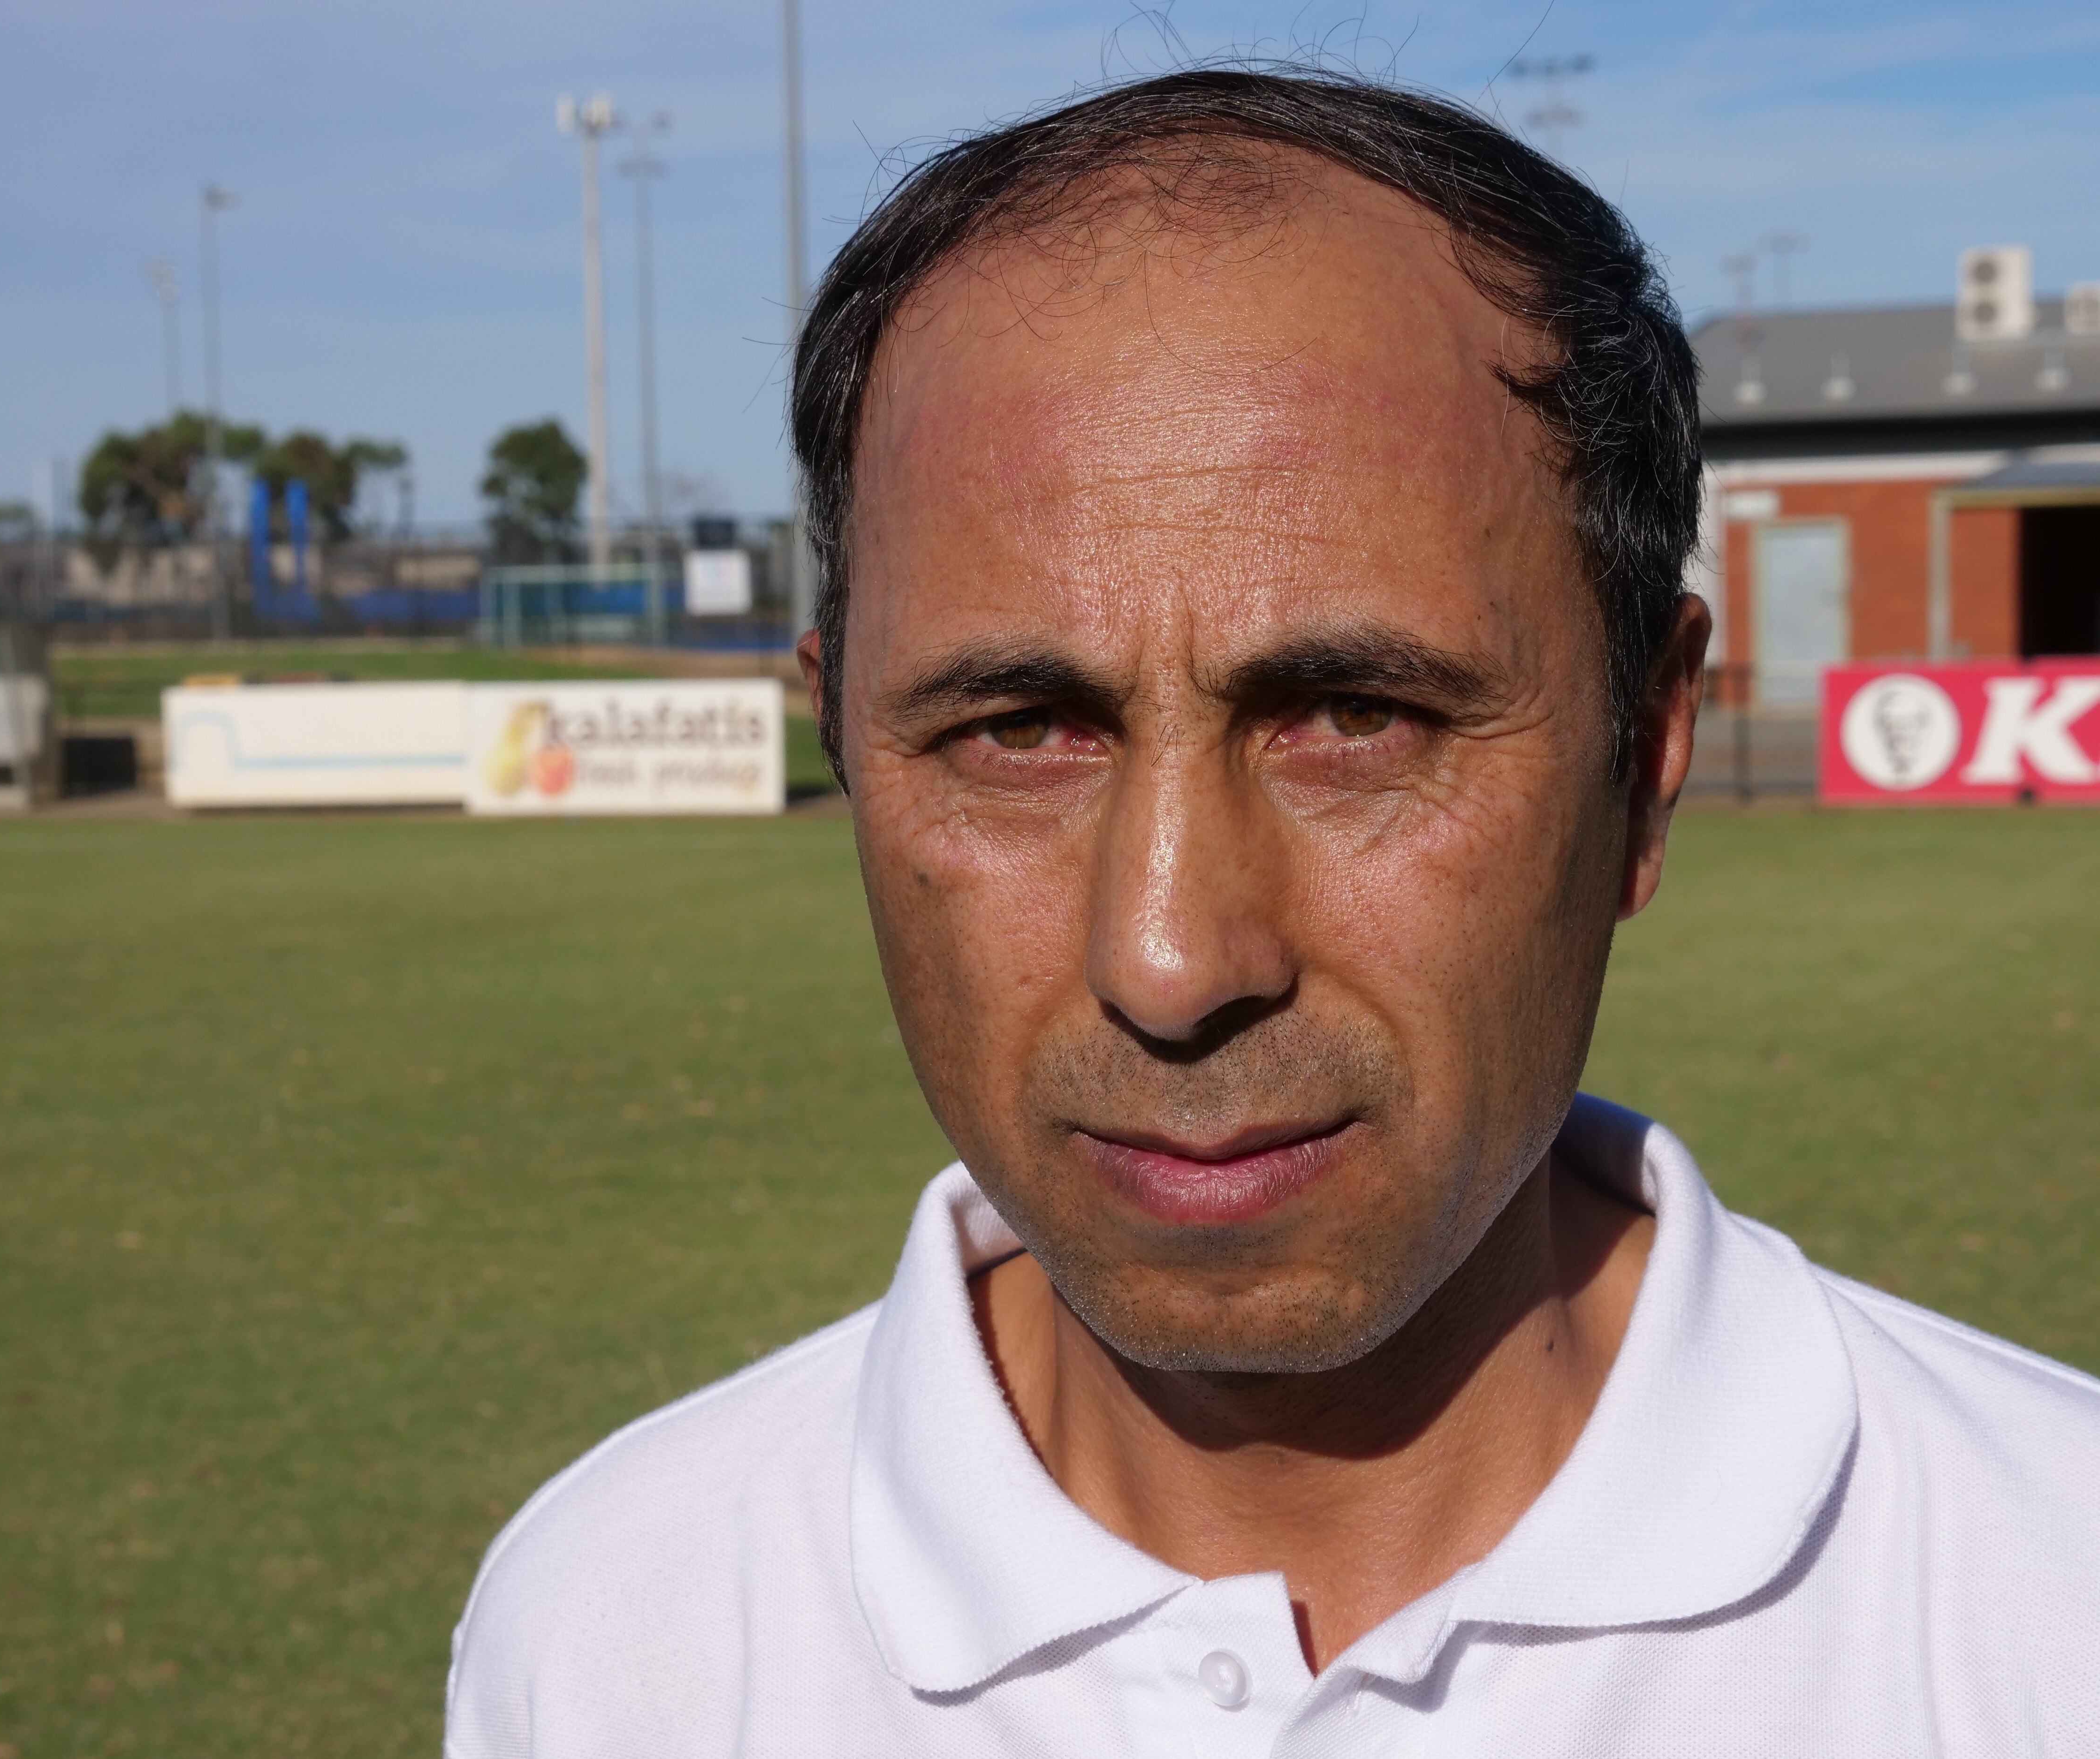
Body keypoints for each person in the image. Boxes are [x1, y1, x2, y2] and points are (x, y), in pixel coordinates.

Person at [447, 69, 2100, 1754]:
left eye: (1357, 719)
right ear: (846, 753)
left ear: (1649, 754)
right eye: (1019, 731)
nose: (1168, 959)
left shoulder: (2053, 1594)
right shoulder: (608, 1637)